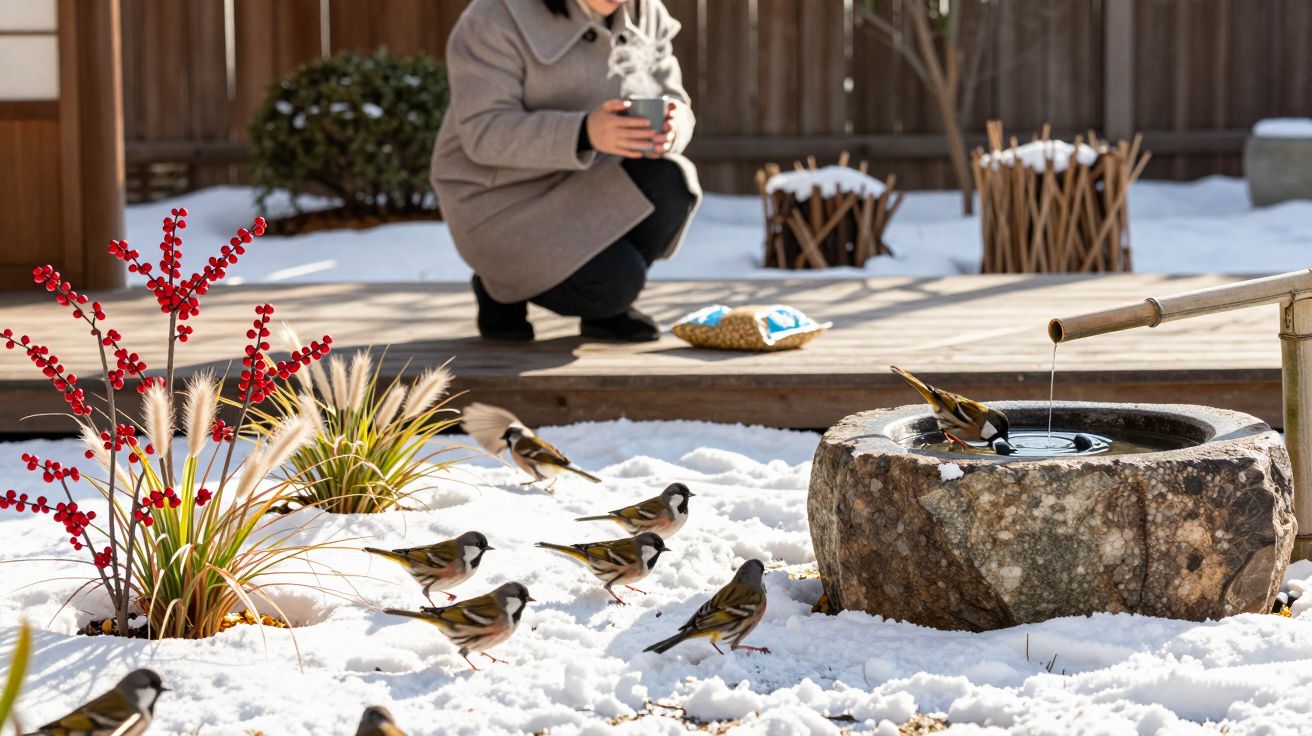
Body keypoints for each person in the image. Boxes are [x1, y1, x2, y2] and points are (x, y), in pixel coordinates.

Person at [432, 0, 700, 342]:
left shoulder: (646, 12)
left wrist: (674, 126)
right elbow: (483, 132)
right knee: (614, 285)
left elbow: (674, 98)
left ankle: (603, 310)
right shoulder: (494, 16)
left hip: (588, 180)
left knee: (670, 182)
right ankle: (500, 286)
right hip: (501, 202)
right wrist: (583, 133)